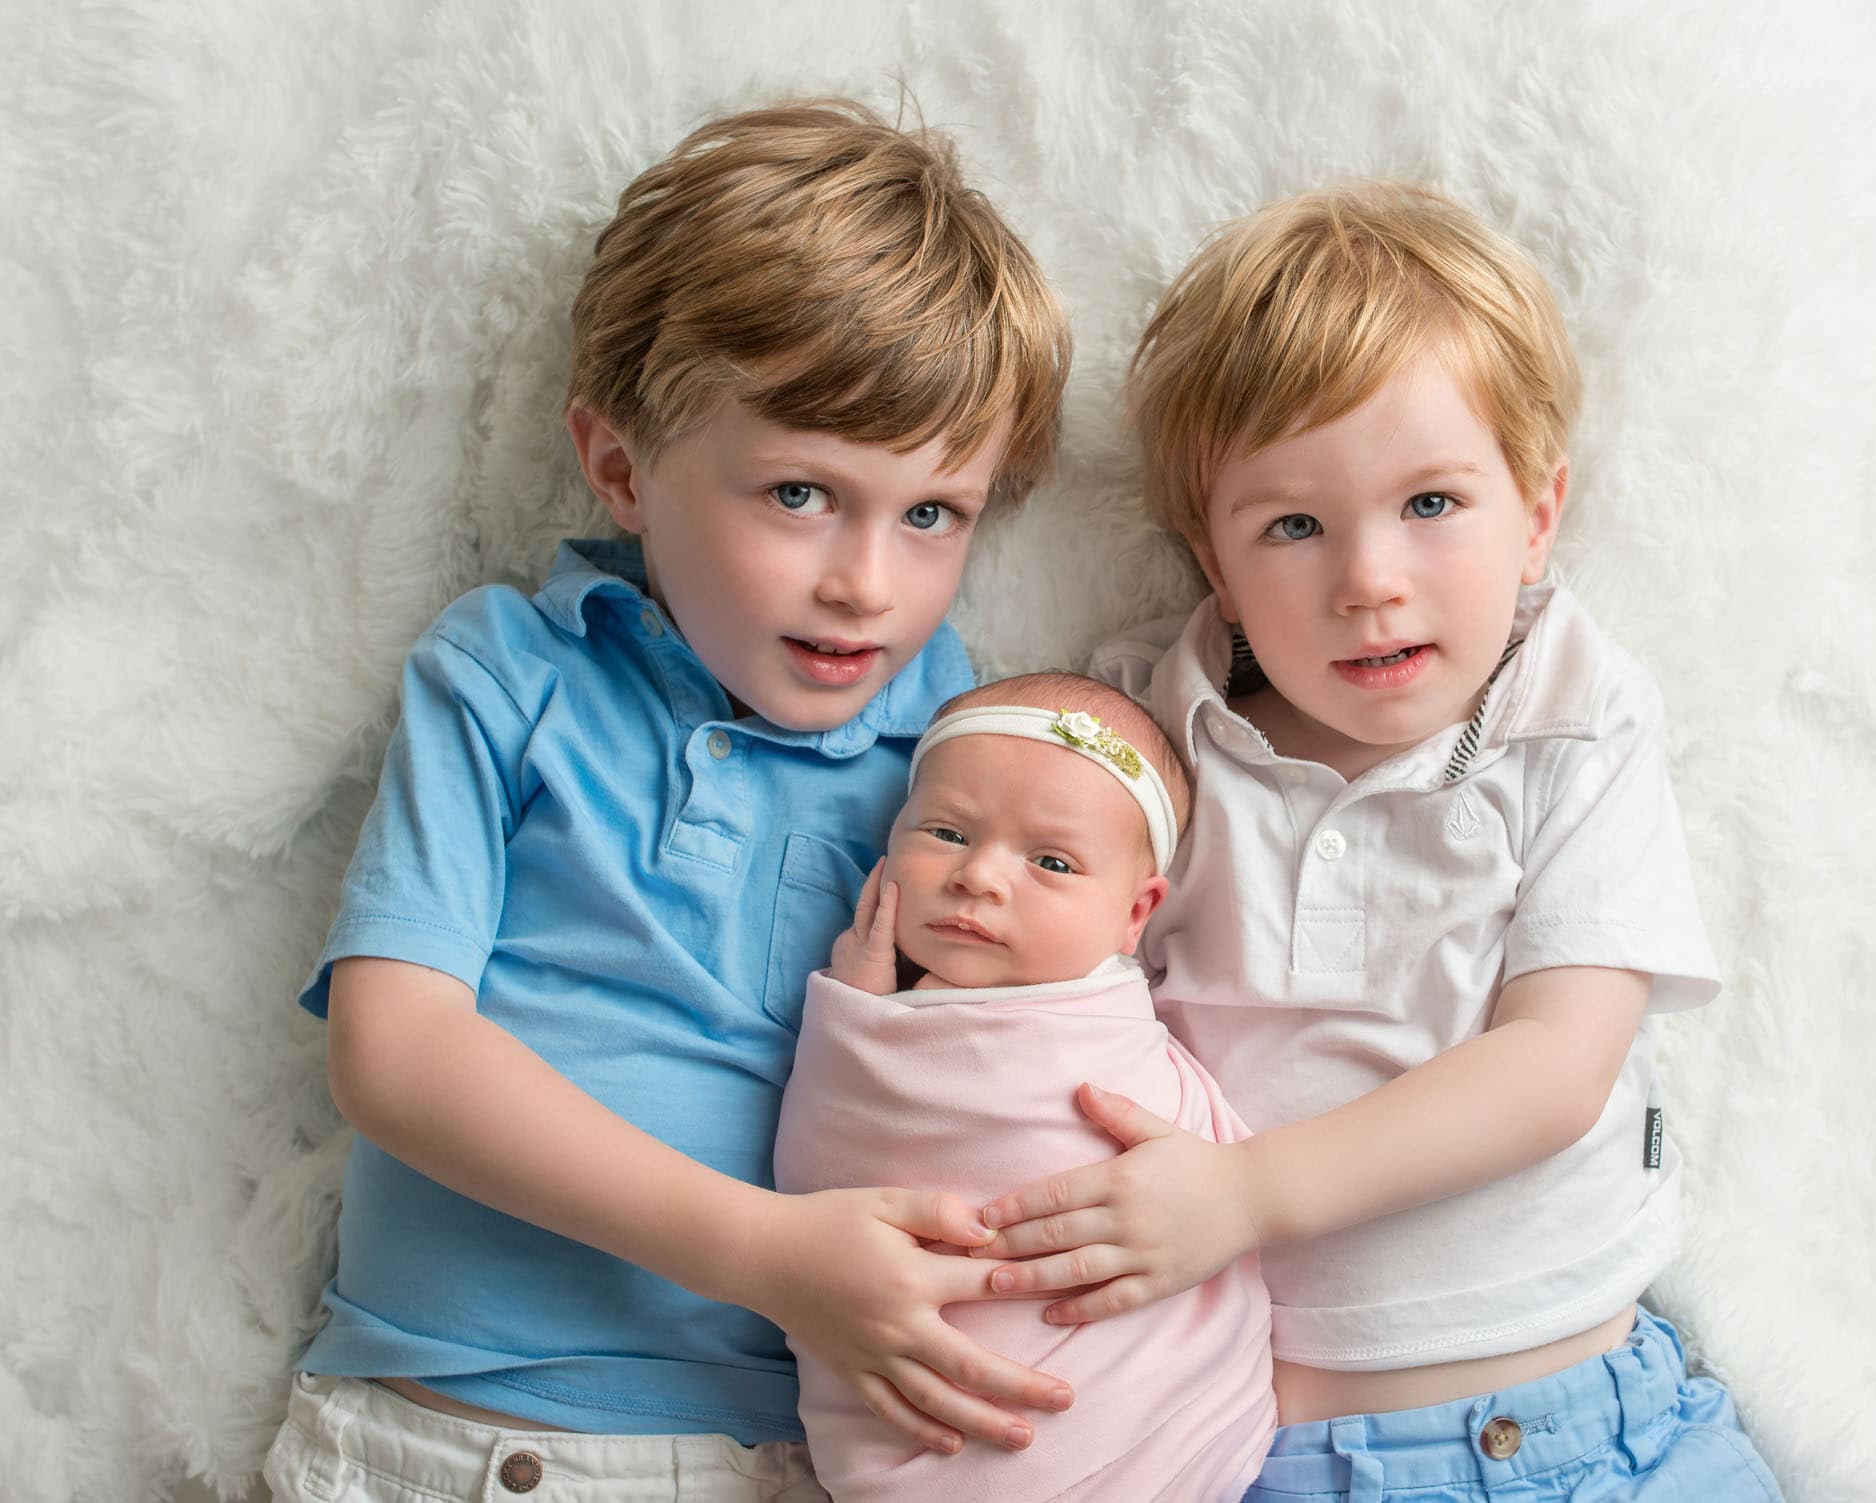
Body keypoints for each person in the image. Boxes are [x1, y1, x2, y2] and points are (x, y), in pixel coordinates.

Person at [262, 99, 1076, 1502]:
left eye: (934, 513)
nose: (865, 583)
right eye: (802, 492)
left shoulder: (968, 751)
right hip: (461, 1431)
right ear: (623, 466)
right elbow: (392, 1054)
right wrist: (761, 1249)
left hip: (802, 1453)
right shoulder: (512, 673)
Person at [975, 183, 1786, 1501]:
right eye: (1293, 525)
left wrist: (1244, 1194)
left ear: (1536, 513)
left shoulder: (1571, 716)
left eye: (1432, 503)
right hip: (1273, 1451)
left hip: (1599, 1427)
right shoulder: (1143, 747)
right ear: (1214, 565)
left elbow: (1554, 1066)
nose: (1368, 577)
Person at [776, 672, 1276, 1502]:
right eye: (944, 830)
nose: (980, 876)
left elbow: (1217, 1185)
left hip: (1160, 1437)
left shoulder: (1122, 1035)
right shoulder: (863, 1031)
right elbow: (816, 1178)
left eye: (1052, 861)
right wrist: (854, 1024)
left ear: (1134, 912)